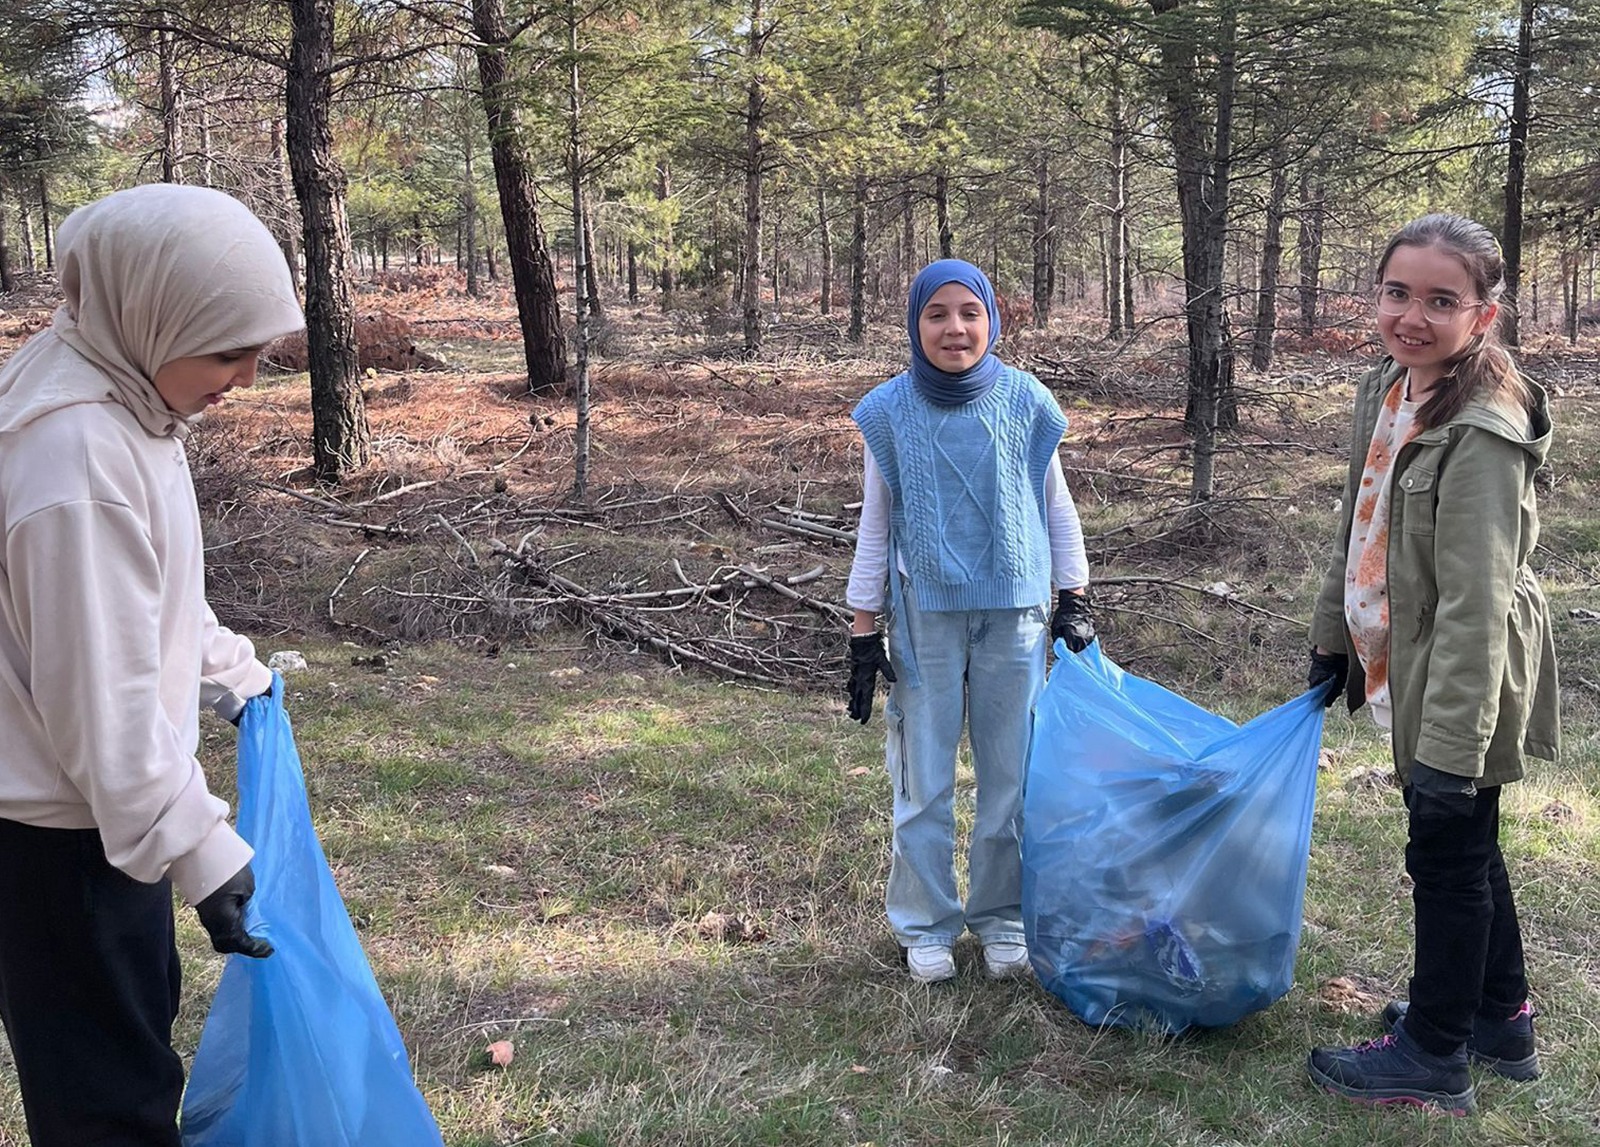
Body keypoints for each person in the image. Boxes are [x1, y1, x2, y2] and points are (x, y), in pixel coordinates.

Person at [0, 184, 302, 1145]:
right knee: (110, 1103)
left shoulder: (121, 395)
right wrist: (203, 851)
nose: (246, 378)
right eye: (226, 352)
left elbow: (146, 603)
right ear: (151, 313)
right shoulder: (78, 456)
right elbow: (106, 712)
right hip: (65, 841)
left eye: (258, 351)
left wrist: (231, 669)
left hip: (82, 823)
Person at [1302, 214, 1559, 1114]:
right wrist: (1332, 639)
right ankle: (1499, 1018)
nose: (1413, 315)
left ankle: (1433, 1051)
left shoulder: (1481, 431)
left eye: (1441, 301)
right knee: (1469, 847)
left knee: (1445, 851)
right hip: (1397, 658)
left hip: (1459, 676)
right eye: (1398, 293)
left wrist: (1451, 744)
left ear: (1482, 316)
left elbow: (1477, 608)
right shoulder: (1394, 385)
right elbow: (1361, 518)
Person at [844, 258, 1094, 984]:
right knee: (923, 780)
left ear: (993, 320)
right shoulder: (887, 413)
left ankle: (1003, 918)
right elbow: (874, 530)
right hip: (925, 618)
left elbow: (1057, 507)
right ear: (915, 323)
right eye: (937, 314)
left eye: (969, 313)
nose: (955, 327)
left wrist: (1071, 598)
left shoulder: (1027, 403)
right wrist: (865, 632)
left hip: (1015, 616)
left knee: (1011, 777)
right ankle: (925, 925)